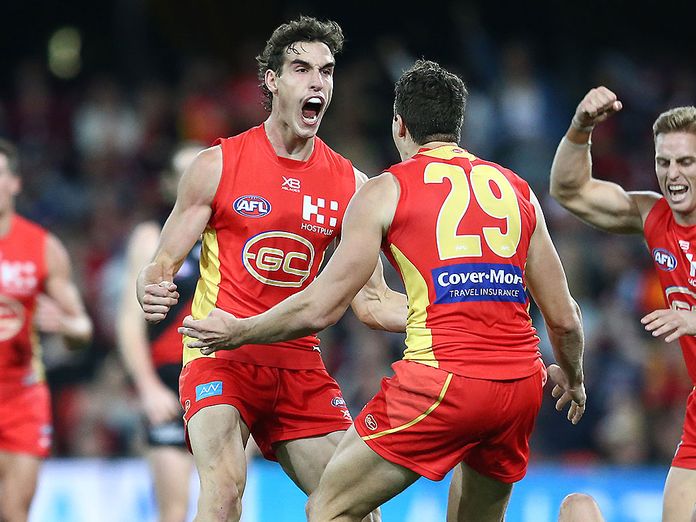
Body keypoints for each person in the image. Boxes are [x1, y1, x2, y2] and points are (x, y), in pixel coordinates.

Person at [179, 59, 587, 522]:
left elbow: (321, 307)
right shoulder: (518, 190)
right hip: (521, 386)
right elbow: (565, 318)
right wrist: (573, 378)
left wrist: (240, 330)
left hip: (443, 381)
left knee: (330, 508)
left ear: (399, 126)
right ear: (458, 126)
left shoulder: (385, 189)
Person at [137, 16, 405, 522]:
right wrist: (149, 288)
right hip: (220, 356)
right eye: (302, 69)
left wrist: (448, 313)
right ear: (272, 80)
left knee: (357, 511)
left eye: (326, 71)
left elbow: (372, 301)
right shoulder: (216, 165)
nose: (317, 82)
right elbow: (160, 265)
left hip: (298, 364)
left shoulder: (351, 185)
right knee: (224, 495)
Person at [549, 86, 696, 522]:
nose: (672, 174)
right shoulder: (655, 217)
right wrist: (580, 129)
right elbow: (569, 191)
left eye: (686, 162)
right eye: (664, 162)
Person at [0, 138, 92, 522]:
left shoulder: (42, 246)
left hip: (22, 397)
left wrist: (64, 325)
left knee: (14, 513)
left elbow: (82, 328)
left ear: (15, 182)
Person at [117, 143, 203, 522]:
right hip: (170, 386)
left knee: (227, 500)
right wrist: (148, 387)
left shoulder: (229, 237)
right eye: (184, 174)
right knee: (173, 510)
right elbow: (129, 321)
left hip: (224, 380)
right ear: (169, 183)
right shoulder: (150, 238)